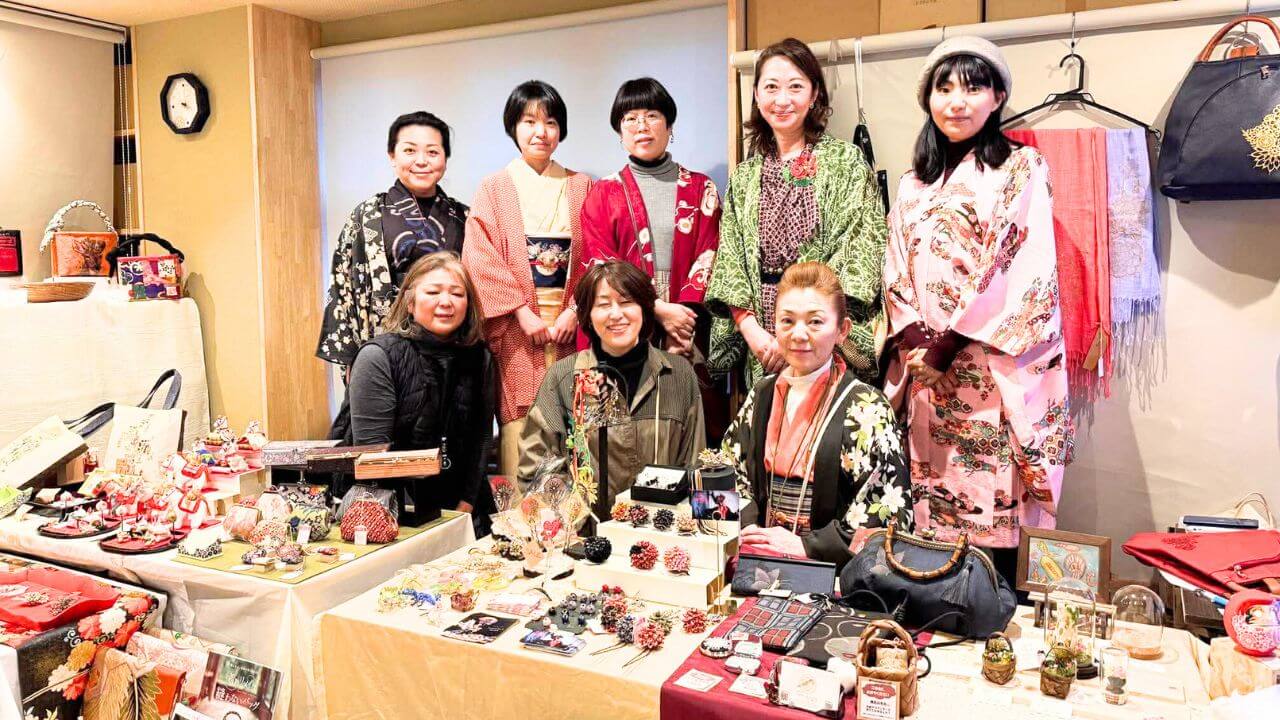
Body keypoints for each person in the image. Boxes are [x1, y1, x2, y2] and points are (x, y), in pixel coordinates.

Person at [882, 37, 1073, 584]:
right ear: (928, 99)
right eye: (944, 89)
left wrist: (946, 346)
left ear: (998, 97)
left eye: (973, 88)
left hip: (989, 366)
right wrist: (915, 341)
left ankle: (993, 609)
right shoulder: (913, 182)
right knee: (927, 502)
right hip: (924, 371)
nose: (957, 102)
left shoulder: (1020, 167)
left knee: (991, 511)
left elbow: (1016, 263)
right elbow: (895, 266)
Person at [705, 38, 887, 388]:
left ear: (814, 93)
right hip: (763, 339)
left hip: (824, 337)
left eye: (795, 87)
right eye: (771, 87)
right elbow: (731, 261)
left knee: (822, 419)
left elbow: (860, 249)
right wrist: (753, 332)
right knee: (768, 419)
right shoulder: (744, 176)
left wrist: (805, 329)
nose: (782, 99)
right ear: (756, 95)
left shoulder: (846, 162)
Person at [723, 262, 910, 569]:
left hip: (829, 571)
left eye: (815, 322)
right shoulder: (762, 393)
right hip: (759, 557)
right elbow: (727, 469)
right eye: (787, 321)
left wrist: (807, 546)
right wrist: (749, 528)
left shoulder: (867, 407)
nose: (798, 334)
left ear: (842, 330)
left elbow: (887, 512)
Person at [580, 77, 728, 440]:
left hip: (689, 322)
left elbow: (711, 253)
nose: (641, 126)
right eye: (630, 118)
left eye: (651, 115)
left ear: (669, 125)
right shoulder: (603, 193)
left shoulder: (702, 188)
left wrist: (681, 319)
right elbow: (601, 263)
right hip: (626, 321)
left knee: (689, 430)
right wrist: (657, 309)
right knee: (624, 432)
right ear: (620, 132)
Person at [462, 80, 592, 478]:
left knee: (578, 424)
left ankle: (578, 514)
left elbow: (597, 254)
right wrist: (521, 311)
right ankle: (523, 516)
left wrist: (575, 310)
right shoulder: (494, 188)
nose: (541, 131)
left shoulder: (582, 185)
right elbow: (479, 256)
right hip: (519, 331)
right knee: (521, 432)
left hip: (571, 329)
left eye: (550, 122)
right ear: (513, 127)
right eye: (529, 121)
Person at [519, 260, 705, 512]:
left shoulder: (678, 375)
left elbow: (696, 464)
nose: (616, 314)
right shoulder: (563, 377)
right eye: (603, 304)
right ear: (587, 314)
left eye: (627, 302)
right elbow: (535, 470)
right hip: (585, 533)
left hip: (663, 529)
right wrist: (577, 522)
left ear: (644, 309)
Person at [329, 252, 495, 533]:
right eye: (433, 292)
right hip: (385, 508)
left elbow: (481, 437)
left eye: (457, 293)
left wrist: (465, 504)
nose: (446, 302)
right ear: (409, 302)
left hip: (461, 505)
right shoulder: (378, 356)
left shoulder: (480, 357)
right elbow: (373, 459)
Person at [318, 111, 469, 368]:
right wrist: (355, 362)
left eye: (433, 152)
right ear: (392, 156)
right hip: (384, 347)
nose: (421, 161)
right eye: (409, 150)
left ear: (445, 158)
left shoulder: (465, 217)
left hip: (453, 351)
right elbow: (343, 287)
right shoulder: (367, 216)